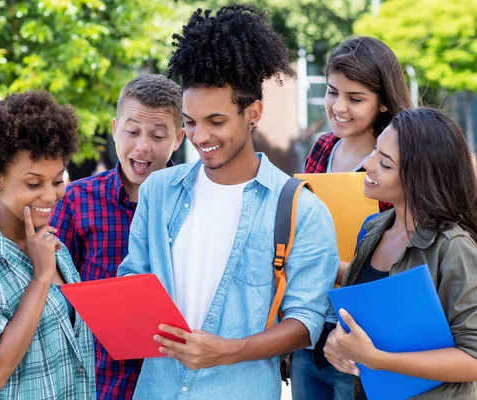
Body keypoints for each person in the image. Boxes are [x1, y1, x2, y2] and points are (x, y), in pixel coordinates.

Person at [117, 5, 339, 399]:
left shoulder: (302, 210)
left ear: (252, 112)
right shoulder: (159, 191)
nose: (200, 136)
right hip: (157, 389)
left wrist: (228, 352)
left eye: (216, 122)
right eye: (189, 121)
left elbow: (305, 322)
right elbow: (134, 275)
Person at [324, 108, 477, 399]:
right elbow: (367, 322)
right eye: (375, 151)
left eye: (385, 164)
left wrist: (378, 359)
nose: (367, 164)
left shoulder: (453, 247)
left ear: (420, 178)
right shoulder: (372, 230)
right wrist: (336, 343)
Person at [0, 91, 95, 399]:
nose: (50, 196)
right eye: (33, 183)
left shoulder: (50, 244)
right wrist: (41, 278)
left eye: (57, 181)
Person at [292, 36, 414, 400]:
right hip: (312, 325)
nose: (338, 107)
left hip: (364, 334)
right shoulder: (322, 149)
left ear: (383, 104)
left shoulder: (398, 166)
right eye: (332, 92)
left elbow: (400, 260)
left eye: (355, 98)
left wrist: (331, 267)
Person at [50, 74, 185, 399]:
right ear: (114, 129)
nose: (142, 146)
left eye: (157, 135)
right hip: (100, 381)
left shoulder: (195, 202)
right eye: (132, 131)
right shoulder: (77, 200)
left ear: (179, 139)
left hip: (176, 379)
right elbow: (54, 297)